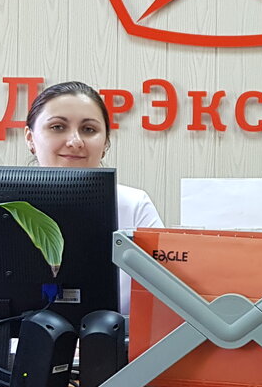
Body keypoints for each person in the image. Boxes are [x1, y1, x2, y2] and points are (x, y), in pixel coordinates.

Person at [24, 80, 162, 315]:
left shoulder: (134, 206)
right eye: (57, 127)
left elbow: (164, 302)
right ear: (30, 138)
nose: (75, 141)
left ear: (105, 142)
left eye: (88, 130)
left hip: (118, 337)